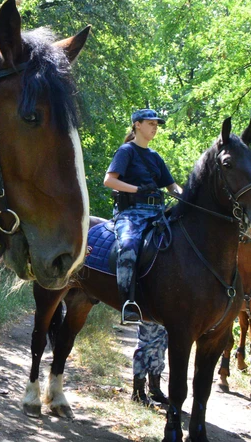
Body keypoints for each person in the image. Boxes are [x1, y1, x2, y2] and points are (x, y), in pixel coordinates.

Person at [103, 108, 183, 326]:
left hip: (157, 213)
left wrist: (191, 197)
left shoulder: (155, 157)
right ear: (137, 125)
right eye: (151, 123)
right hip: (131, 214)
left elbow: (172, 186)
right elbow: (109, 181)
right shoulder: (126, 151)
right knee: (128, 247)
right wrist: (137, 189)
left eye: (156, 125)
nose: (155, 128)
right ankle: (128, 302)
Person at [132, 321, 169, 406]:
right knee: (145, 346)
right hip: (149, 313)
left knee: (160, 346)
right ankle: (138, 393)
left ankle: (155, 391)